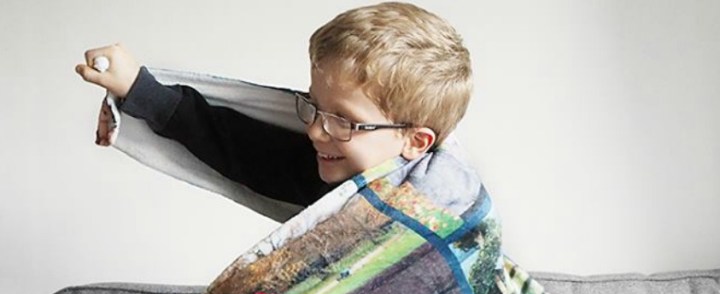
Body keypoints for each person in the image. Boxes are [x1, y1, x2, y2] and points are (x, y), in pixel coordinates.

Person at [75, 2, 471, 208]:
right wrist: (138, 89)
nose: (316, 130)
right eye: (313, 107)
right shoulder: (328, 179)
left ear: (416, 141)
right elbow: (240, 149)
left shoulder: (436, 205)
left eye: (344, 120)